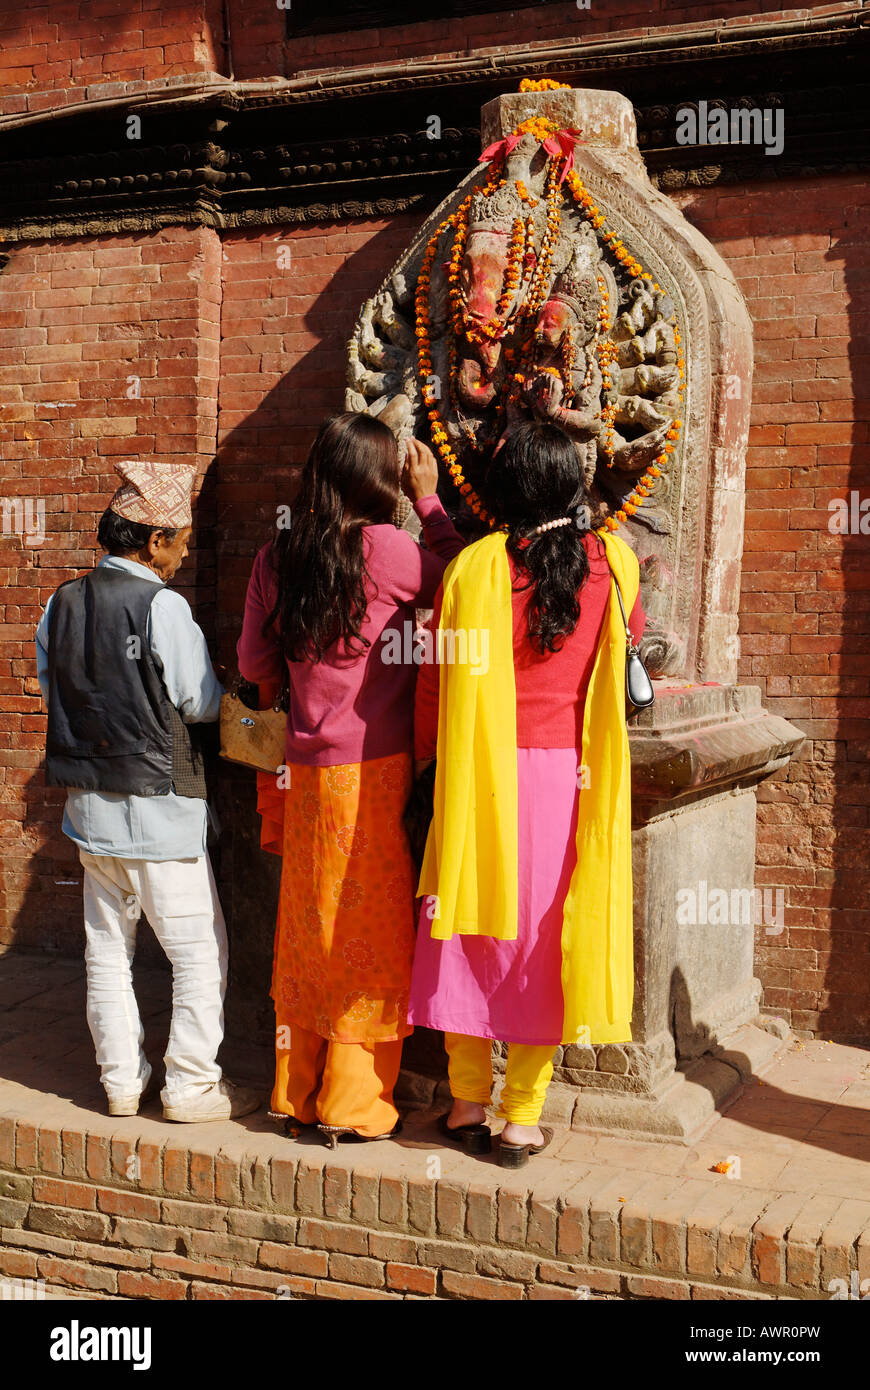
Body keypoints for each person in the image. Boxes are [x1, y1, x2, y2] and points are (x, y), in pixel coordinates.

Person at [409, 421, 645, 1168]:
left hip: (481, 774)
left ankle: (467, 1101)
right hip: (569, 783)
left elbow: (432, 683)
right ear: (575, 488)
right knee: (545, 945)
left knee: (470, 929)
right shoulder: (615, 565)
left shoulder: (473, 569)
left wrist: (422, 764)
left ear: (503, 490)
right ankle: (521, 1118)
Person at [237, 412, 464, 1145]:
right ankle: (352, 1104)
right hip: (376, 776)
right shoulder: (392, 551)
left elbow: (252, 666)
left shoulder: (277, 557)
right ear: (381, 478)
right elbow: (467, 584)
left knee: (306, 932)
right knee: (366, 938)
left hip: (301, 775)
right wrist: (430, 502)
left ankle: (295, 1093)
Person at [35, 460, 260, 1124]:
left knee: (106, 951)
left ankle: (121, 1084)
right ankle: (190, 1087)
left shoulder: (61, 601)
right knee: (197, 953)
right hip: (160, 815)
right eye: (181, 541)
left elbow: (56, 691)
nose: (185, 553)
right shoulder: (163, 606)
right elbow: (197, 700)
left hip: (90, 815)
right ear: (154, 539)